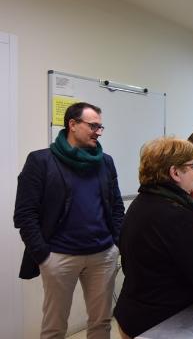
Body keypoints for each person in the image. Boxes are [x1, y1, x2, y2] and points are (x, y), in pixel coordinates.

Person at [13, 102, 124, 339]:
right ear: (72, 124)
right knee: (54, 327)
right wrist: (44, 255)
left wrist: (116, 243)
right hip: (59, 256)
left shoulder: (106, 162)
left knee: (101, 322)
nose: (99, 132)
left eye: (101, 126)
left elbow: (116, 205)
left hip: (103, 255)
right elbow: (25, 214)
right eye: (94, 126)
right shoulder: (41, 161)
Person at [114, 137, 193, 338]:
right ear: (175, 172)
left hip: (133, 315)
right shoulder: (177, 215)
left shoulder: (140, 203)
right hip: (164, 322)